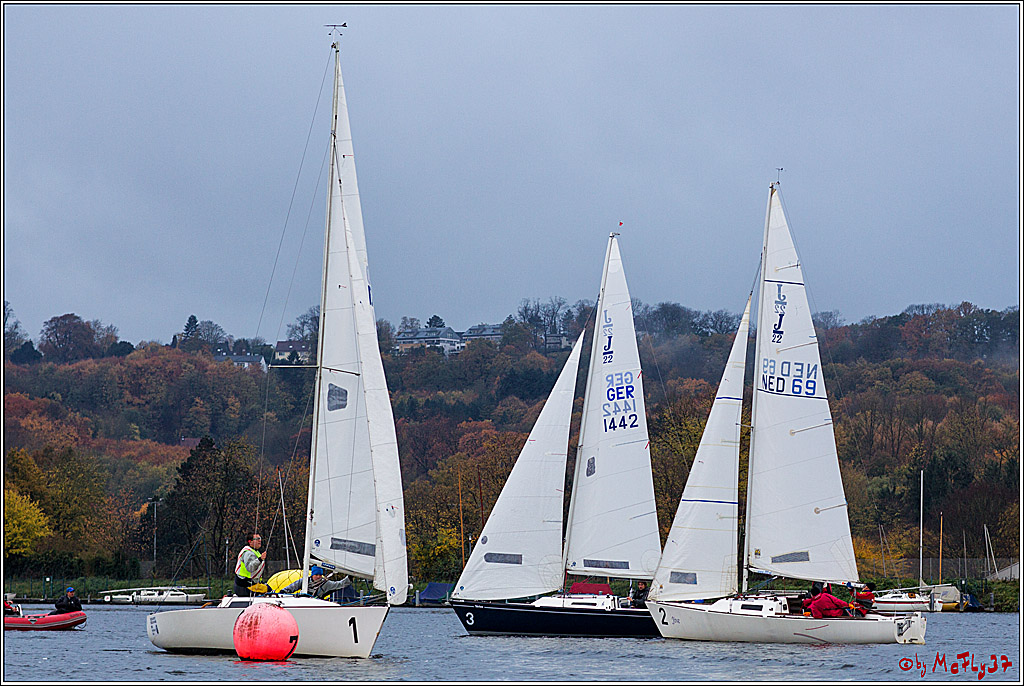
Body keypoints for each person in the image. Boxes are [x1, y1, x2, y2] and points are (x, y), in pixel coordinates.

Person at [281, 565, 352, 599]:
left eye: (320, 575)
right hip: (302, 602)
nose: (318, 577)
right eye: (316, 575)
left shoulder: (326, 583)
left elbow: (339, 584)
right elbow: (293, 586)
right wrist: (283, 591)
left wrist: (349, 578)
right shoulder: (305, 581)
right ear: (312, 575)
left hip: (316, 604)